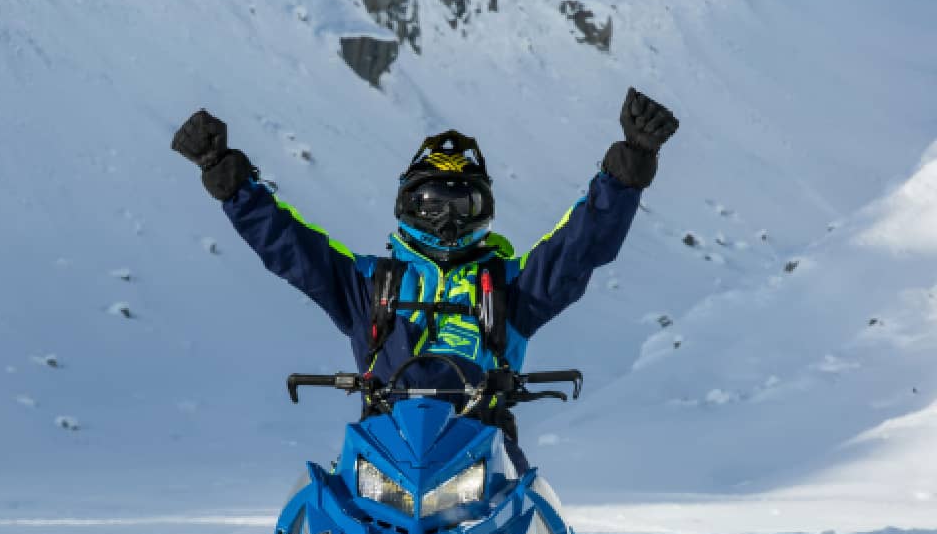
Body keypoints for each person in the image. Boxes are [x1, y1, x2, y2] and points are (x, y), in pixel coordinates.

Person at [171, 89, 678, 467]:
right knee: (315, 511)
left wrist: (627, 169)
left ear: (484, 210)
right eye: (432, 204)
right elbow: (291, 247)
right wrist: (227, 177)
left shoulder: (509, 286)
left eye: (463, 204)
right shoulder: (372, 283)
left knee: (539, 520)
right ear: (407, 205)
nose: (447, 220)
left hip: (482, 449)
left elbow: (578, 247)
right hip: (384, 450)